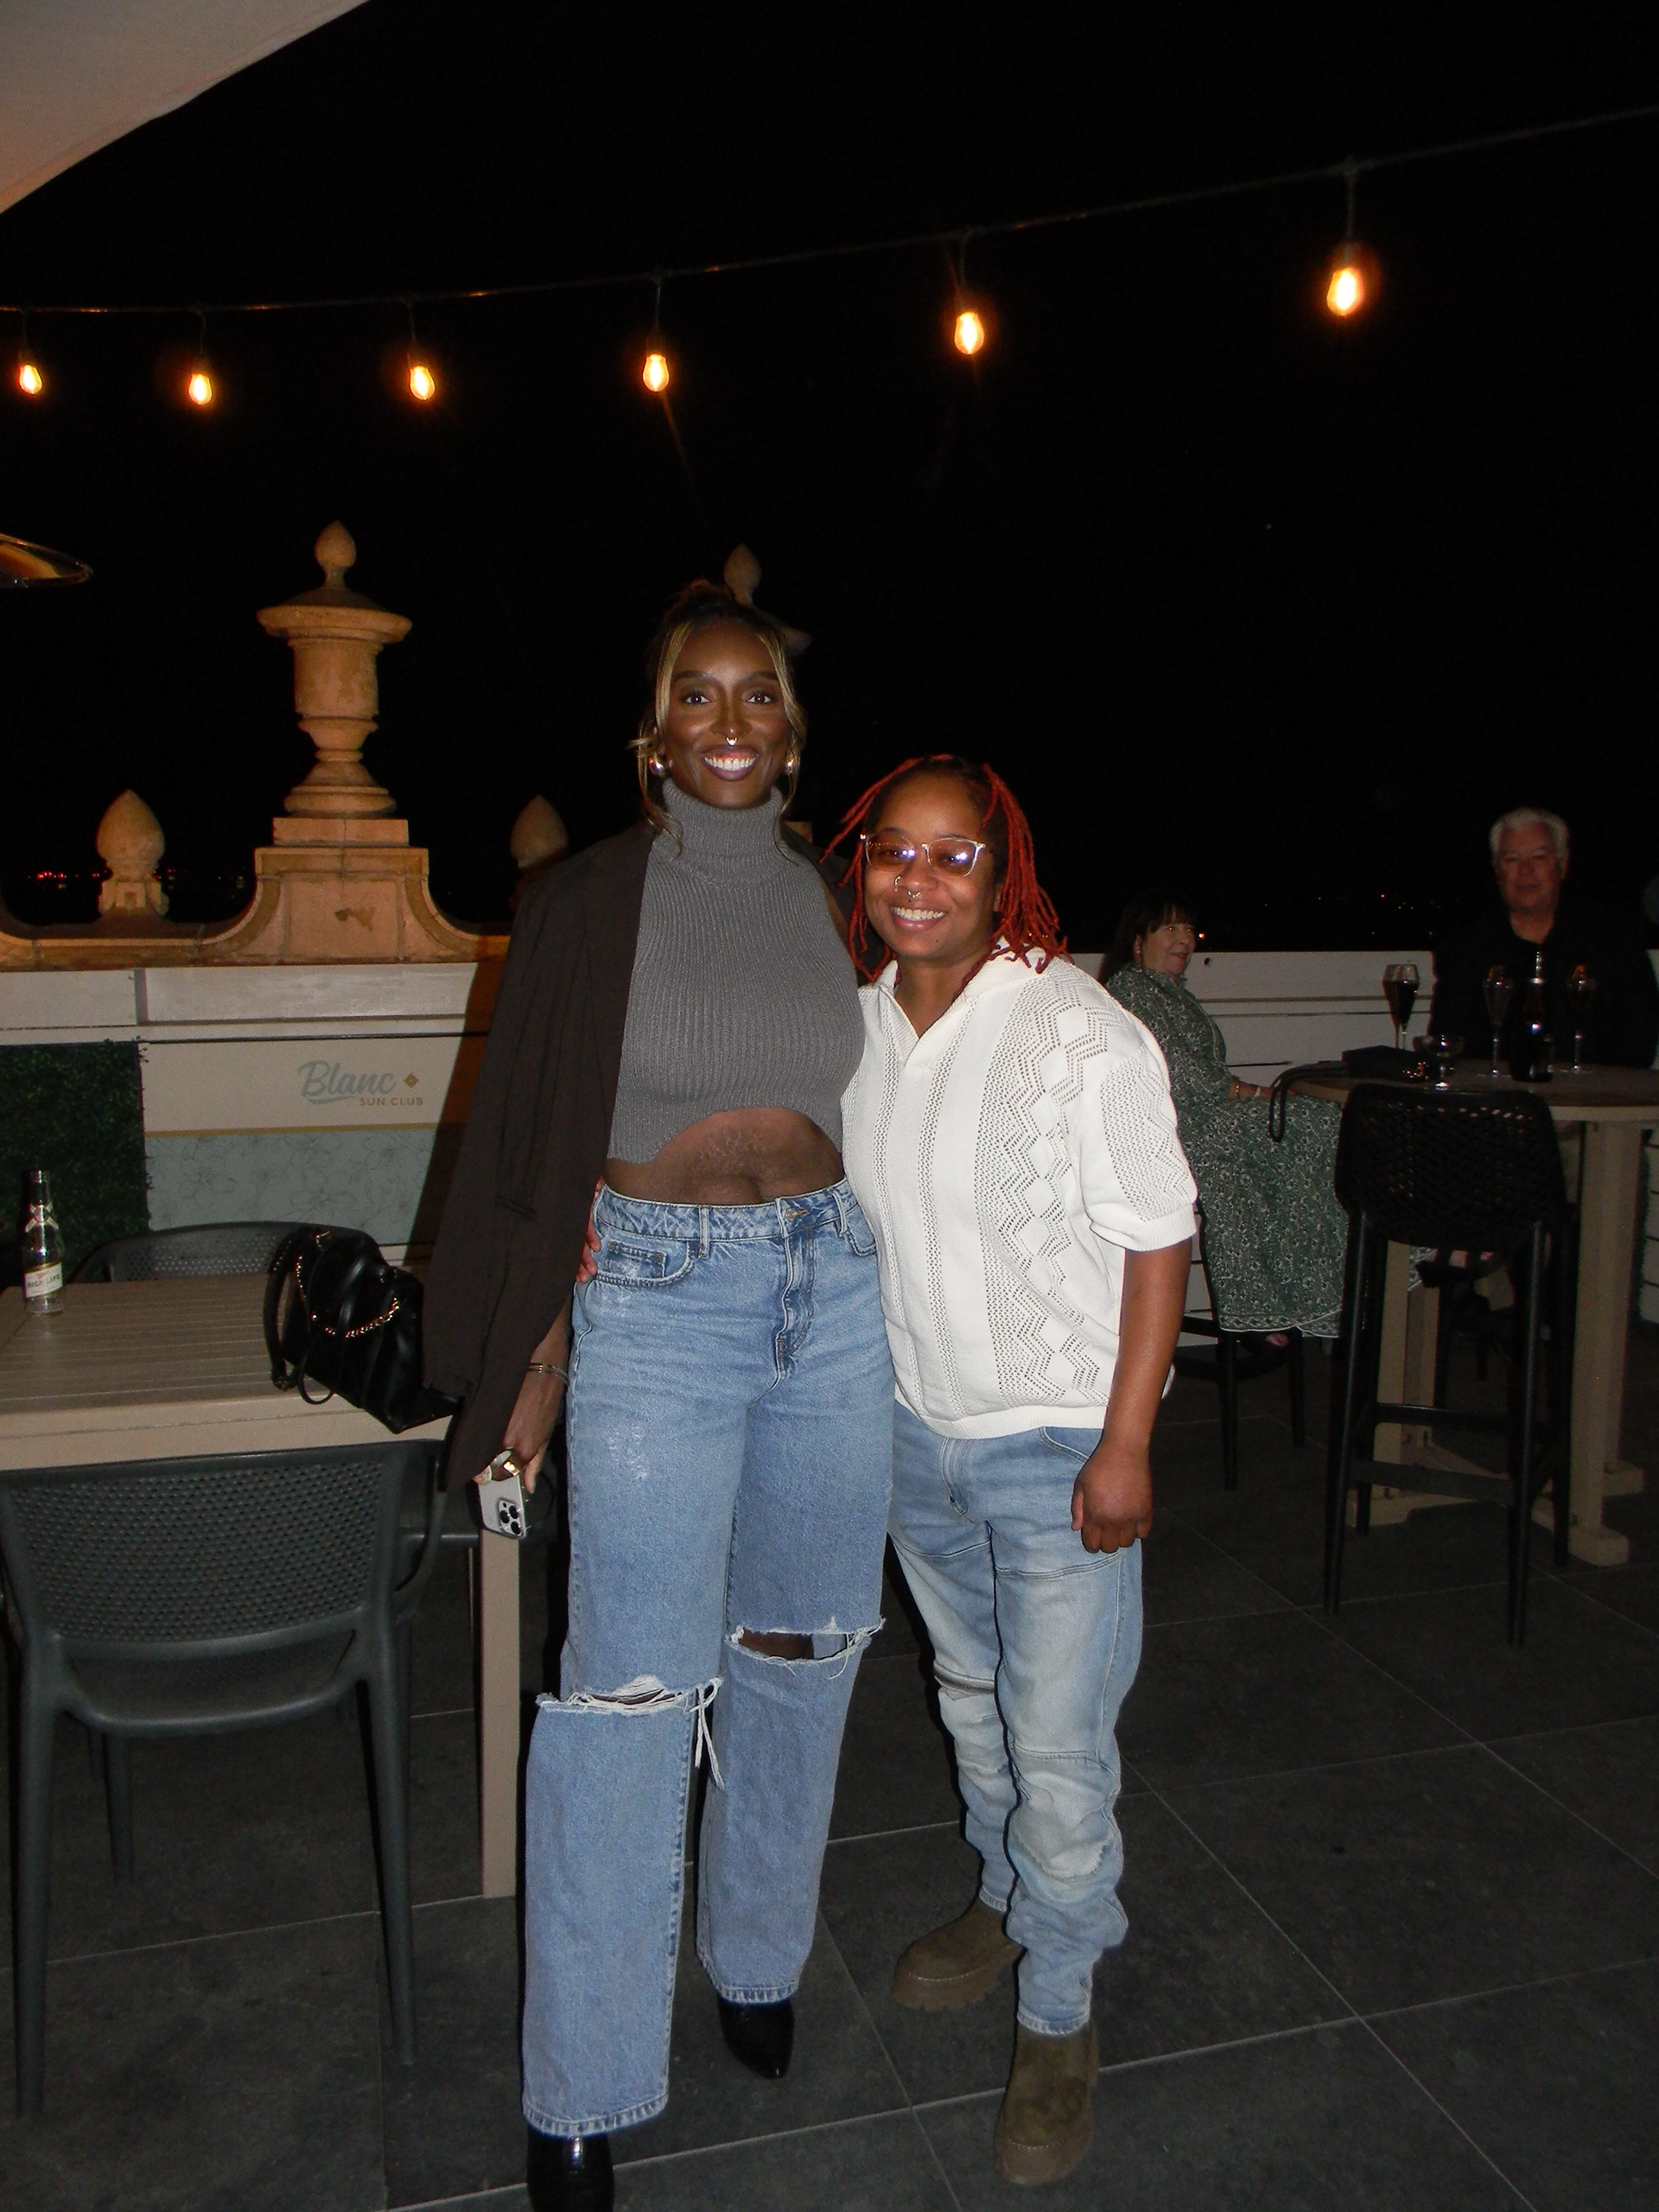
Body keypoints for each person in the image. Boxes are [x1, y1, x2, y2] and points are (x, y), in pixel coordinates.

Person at [423, 576, 894, 2212]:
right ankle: (583, 2078)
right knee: (622, 1693)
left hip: (833, 1290)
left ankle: (756, 1953)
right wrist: (537, 1354)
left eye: (758, 695)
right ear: (654, 734)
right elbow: (531, 1140)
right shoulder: (582, 903)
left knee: (802, 1649)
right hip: (654, 1297)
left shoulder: (838, 898)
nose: (730, 721)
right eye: (699, 695)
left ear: (792, 732)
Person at [836, 758, 1195, 2187]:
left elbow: (1158, 1234)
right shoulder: (860, 1025)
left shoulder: (1077, 1028)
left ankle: (1060, 2006)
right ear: (863, 864)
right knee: (970, 1698)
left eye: (955, 855)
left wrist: (1127, 1443)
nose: (919, 880)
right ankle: (1002, 1899)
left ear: (1004, 873)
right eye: (895, 851)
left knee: (1056, 1741)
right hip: (915, 1432)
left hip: (1057, 1447)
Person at [1102, 895, 1349, 1339]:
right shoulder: (1132, 989)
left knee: (1313, 1127)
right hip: (1177, 1128)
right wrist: (1259, 1094)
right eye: (1169, 929)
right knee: (1314, 1122)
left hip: (1207, 1117)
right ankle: (1317, 1291)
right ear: (1138, 942)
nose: (1184, 939)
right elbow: (1185, 1076)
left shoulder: (1170, 993)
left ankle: (1304, 1291)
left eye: (1187, 929)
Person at [1428, 807, 1659, 1068]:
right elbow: (1449, 1042)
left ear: (1562, 865)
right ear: (1497, 871)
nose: (1526, 870)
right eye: (1512, 859)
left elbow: (1638, 1041)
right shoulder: (1467, 948)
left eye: (1539, 857)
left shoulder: (1613, 940)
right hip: (1497, 1092)